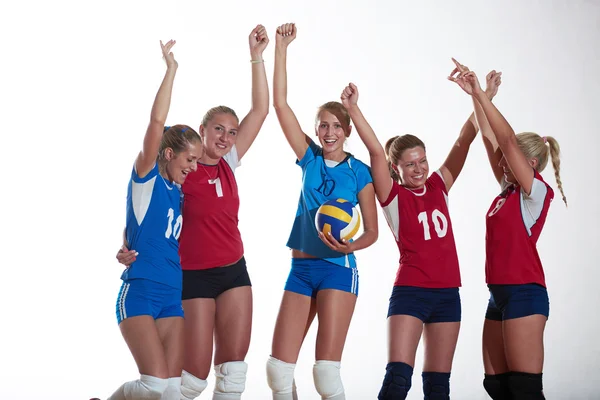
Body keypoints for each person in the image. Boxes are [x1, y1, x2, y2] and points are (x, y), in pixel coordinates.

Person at [117, 25, 270, 400]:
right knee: (191, 380)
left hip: (232, 269)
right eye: (218, 129)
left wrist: (258, 57)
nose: (226, 138)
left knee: (234, 372)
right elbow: (146, 209)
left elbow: (262, 110)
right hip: (189, 277)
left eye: (232, 132)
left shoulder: (228, 163)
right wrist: (125, 242)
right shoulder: (181, 170)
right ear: (202, 132)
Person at [343, 68, 500, 398]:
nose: (419, 169)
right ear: (396, 169)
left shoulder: (439, 185)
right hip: (411, 292)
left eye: (423, 161)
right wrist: (354, 110)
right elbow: (374, 152)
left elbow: (464, 138)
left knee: (438, 387)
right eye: (410, 164)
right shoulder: (392, 197)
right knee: (398, 379)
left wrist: (480, 94)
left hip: (447, 294)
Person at [265, 23, 378, 400]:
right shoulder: (309, 158)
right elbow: (280, 105)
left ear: (347, 131)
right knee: (278, 372)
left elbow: (372, 233)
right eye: (322, 126)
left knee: (325, 374)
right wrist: (281, 49)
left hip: (337, 268)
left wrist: (351, 248)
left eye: (336, 126)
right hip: (300, 267)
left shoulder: (359, 172)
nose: (329, 132)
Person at [449, 59, 566, 400]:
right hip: (498, 295)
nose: (500, 162)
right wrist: (478, 94)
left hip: (525, 294)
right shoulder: (509, 189)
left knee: (524, 390)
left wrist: (486, 100)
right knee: (496, 385)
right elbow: (491, 139)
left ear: (530, 164)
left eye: (509, 159)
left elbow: (507, 141)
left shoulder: (536, 192)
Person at [106, 40, 203, 400]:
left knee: (174, 391)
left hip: (171, 294)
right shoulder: (146, 177)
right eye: (189, 160)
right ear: (167, 153)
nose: (193, 168)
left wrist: (125, 238)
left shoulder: (178, 193)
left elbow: (141, 228)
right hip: (141, 291)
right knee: (154, 385)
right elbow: (157, 122)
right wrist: (171, 70)